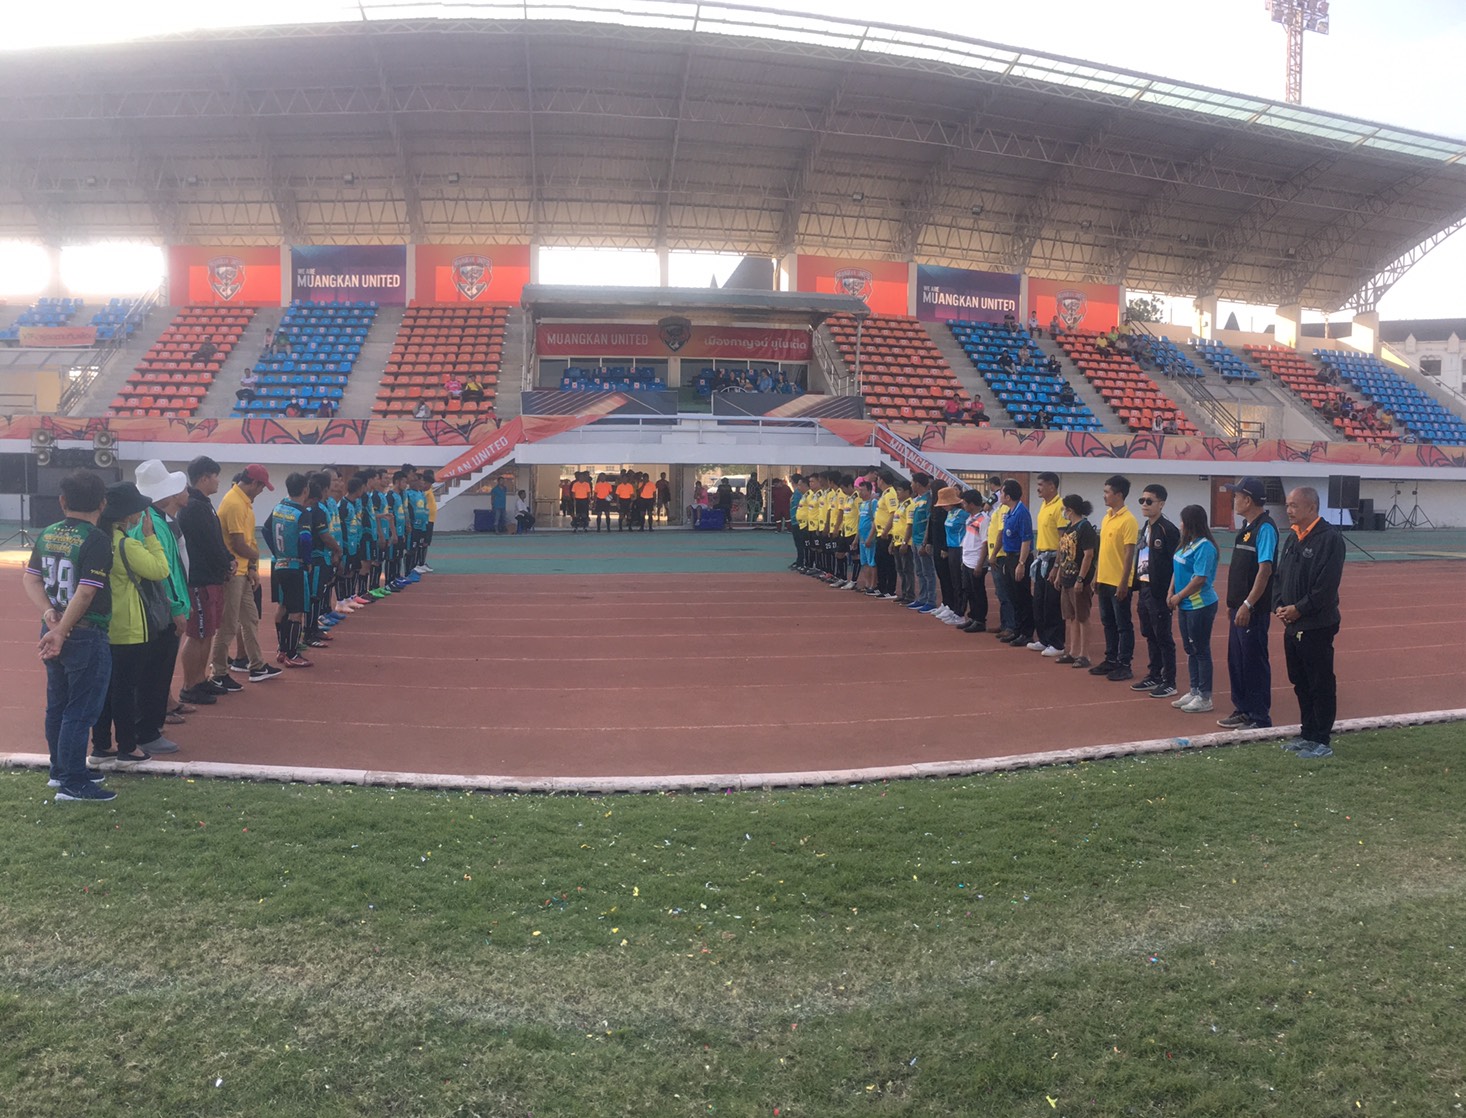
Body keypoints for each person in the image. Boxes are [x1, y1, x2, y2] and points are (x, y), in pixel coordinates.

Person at [23, 470, 117, 801]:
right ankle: (73, 781)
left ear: (62, 501)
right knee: (80, 709)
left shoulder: (48, 533)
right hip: (84, 631)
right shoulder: (96, 539)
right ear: (102, 504)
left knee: (58, 704)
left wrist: (50, 615)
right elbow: (87, 591)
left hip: (54, 628)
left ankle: (60, 768)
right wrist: (63, 629)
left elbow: (31, 578)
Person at [87, 481, 172, 765]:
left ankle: (101, 746)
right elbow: (160, 569)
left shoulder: (98, 540)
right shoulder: (127, 545)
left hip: (102, 625)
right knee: (125, 690)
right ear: (127, 514)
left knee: (104, 689)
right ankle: (128, 747)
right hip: (129, 629)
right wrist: (150, 537)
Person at [126, 460, 192, 757]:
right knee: (155, 673)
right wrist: (177, 608)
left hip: (157, 608)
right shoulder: (152, 524)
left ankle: (147, 727)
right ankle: (147, 732)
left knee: (152, 672)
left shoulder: (152, 520)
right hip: (160, 611)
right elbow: (163, 574)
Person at [1274, 486, 1346, 759]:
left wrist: (1299, 609)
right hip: (1292, 623)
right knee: (1300, 681)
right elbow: (1280, 577)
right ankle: (1307, 734)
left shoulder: (1329, 539)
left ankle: (1321, 739)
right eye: (1287, 505)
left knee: (1320, 682)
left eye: (1294, 505)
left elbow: (1325, 588)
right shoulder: (1292, 537)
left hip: (1316, 625)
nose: (1288, 510)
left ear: (1312, 508)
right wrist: (1279, 605)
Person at [1218, 478, 1277, 731]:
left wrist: (1248, 605)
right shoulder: (1247, 527)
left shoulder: (1265, 529)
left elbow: (1265, 570)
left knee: (1253, 662)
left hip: (1252, 611)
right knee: (1237, 661)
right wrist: (1234, 604)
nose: (1234, 500)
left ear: (1248, 500)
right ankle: (1242, 710)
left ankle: (1259, 716)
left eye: (1236, 496)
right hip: (1238, 608)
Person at [209, 463, 274, 689]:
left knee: (250, 618)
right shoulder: (235, 503)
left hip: (243, 571)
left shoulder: (244, 502)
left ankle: (257, 664)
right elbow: (238, 544)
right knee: (228, 624)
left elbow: (248, 540)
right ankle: (218, 672)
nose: (262, 491)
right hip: (233, 573)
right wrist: (257, 556)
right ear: (254, 483)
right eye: (262, 487)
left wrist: (253, 566)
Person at [175, 457, 231, 706]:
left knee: (207, 632)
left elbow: (216, 541)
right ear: (204, 478)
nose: (218, 481)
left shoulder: (203, 505)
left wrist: (227, 560)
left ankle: (200, 679)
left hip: (210, 577)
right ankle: (189, 684)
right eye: (215, 476)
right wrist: (225, 562)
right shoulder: (194, 507)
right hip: (200, 579)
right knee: (196, 633)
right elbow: (208, 544)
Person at [1167, 505, 1221, 714]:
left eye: (1182, 521)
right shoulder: (1187, 544)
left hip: (1200, 605)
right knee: (1190, 648)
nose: (1180, 524)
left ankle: (1205, 696)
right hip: (1185, 604)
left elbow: (1200, 579)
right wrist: (1171, 591)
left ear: (1191, 523)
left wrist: (1179, 596)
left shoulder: (1205, 547)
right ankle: (1194, 690)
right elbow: (1177, 569)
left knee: (1201, 649)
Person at [1131, 483, 1180, 699]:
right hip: (1144, 587)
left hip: (1159, 591)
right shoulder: (1146, 527)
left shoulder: (1168, 530)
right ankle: (1154, 674)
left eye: (1149, 501)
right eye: (1142, 500)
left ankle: (1169, 680)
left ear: (1161, 504)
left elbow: (1175, 563)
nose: (1144, 504)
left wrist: (1171, 591)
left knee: (1163, 636)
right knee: (1149, 632)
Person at [264, 473, 314, 668]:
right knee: (296, 611)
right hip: (295, 566)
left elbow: (266, 530)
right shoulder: (302, 512)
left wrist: (276, 552)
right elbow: (305, 538)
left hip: (280, 564)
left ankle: (282, 648)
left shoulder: (278, 507)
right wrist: (307, 560)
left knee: (282, 606)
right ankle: (292, 654)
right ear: (305, 490)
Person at [1092, 474, 1138, 681]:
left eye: (1107, 492)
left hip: (1118, 582)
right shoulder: (1107, 517)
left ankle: (1124, 664)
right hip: (1104, 580)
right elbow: (1103, 550)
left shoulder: (1128, 520)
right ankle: (1110, 659)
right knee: (1108, 622)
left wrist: (1124, 582)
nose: (1104, 496)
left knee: (1123, 625)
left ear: (1118, 495)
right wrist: (1096, 575)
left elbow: (1129, 554)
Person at [1052, 494, 1098, 667]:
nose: (1063, 512)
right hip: (1066, 578)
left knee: (1082, 617)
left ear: (1070, 510)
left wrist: (1081, 578)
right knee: (1071, 617)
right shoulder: (1069, 528)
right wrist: (1059, 573)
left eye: (1065, 509)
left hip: (1078, 580)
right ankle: (1072, 652)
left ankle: (1084, 655)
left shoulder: (1084, 528)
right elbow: (1063, 552)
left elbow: (1088, 555)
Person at [1027, 472, 1066, 656]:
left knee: (1052, 603)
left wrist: (1057, 566)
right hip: (1041, 558)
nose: (1038, 488)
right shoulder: (1044, 505)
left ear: (1052, 486)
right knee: (1039, 601)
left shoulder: (1060, 506)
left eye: (1041, 485)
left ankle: (1057, 643)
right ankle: (1044, 639)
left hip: (1052, 559)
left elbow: (1062, 540)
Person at [996, 479, 1034, 646]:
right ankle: (1017, 630)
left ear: (1008, 496)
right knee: (1013, 596)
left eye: (1002, 493)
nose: (1000, 496)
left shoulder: (1022, 512)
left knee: (1022, 596)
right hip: (1009, 557)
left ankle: (1027, 633)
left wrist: (1021, 563)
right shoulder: (1009, 512)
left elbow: (1026, 540)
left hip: (1019, 557)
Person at [956, 489, 990, 632]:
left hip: (976, 561)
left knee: (978, 592)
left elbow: (985, 543)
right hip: (967, 559)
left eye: (964, 503)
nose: (963, 506)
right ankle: (973, 617)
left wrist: (980, 564)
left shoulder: (984, 519)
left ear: (971, 504)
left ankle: (980, 620)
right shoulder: (970, 518)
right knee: (969, 591)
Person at [906, 473, 937, 613]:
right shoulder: (917, 500)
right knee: (919, 571)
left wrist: (925, 542)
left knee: (928, 572)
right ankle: (922, 598)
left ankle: (931, 601)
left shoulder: (928, 499)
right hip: (915, 540)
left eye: (912, 482)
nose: (911, 485)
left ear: (918, 484)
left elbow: (929, 522)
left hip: (922, 542)